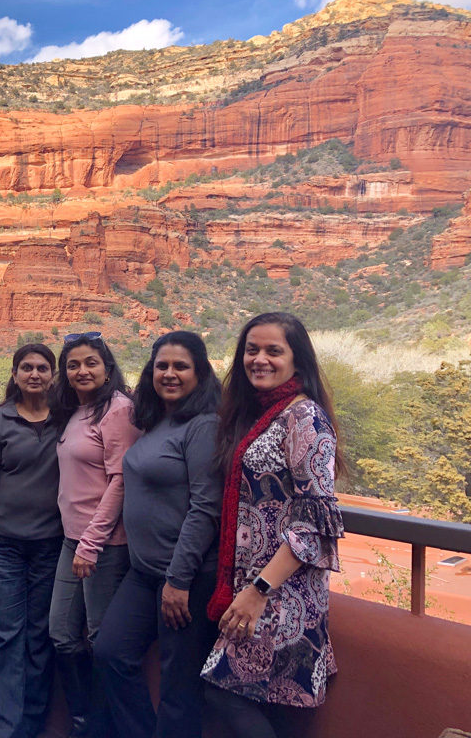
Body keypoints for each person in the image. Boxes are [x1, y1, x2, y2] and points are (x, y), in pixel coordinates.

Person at [202, 312, 344, 738]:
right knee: (269, 705)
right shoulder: (263, 414)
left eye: (273, 351)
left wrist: (258, 591)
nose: (259, 359)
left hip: (281, 591)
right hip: (257, 585)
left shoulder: (305, 419)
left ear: (297, 361)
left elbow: (316, 522)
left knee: (223, 692)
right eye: (251, 350)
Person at [94, 331, 223, 738]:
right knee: (109, 652)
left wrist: (178, 580)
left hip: (184, 577)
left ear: (200, 373)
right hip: (143, 571)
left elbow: (206, 507)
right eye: (161, 366)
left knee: (178, 689)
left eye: (181, 366)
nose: (169, 374)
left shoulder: (204, 426)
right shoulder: (159, 421)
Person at [0, 343, 64, 738]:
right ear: (15, 373)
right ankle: (4, 727)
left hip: (52, 544)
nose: (35, 374)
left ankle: (32, 722)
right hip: (3, 544)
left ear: (53, 375)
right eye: (27, 367)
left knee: (40, 636)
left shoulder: (68, 419)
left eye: (42, 367)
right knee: (5, 634)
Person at [49, 331, 140, 737]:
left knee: (101, 640)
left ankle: (106, 727)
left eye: (90, 363)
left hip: (102, 545)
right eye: (73, 364)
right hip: (73, 540)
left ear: (107, 369)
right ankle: (86, 719)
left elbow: (121, 480)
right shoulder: (76, 410)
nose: (82, 370)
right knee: (62, 634)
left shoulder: (117, 409)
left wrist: (91, 543)